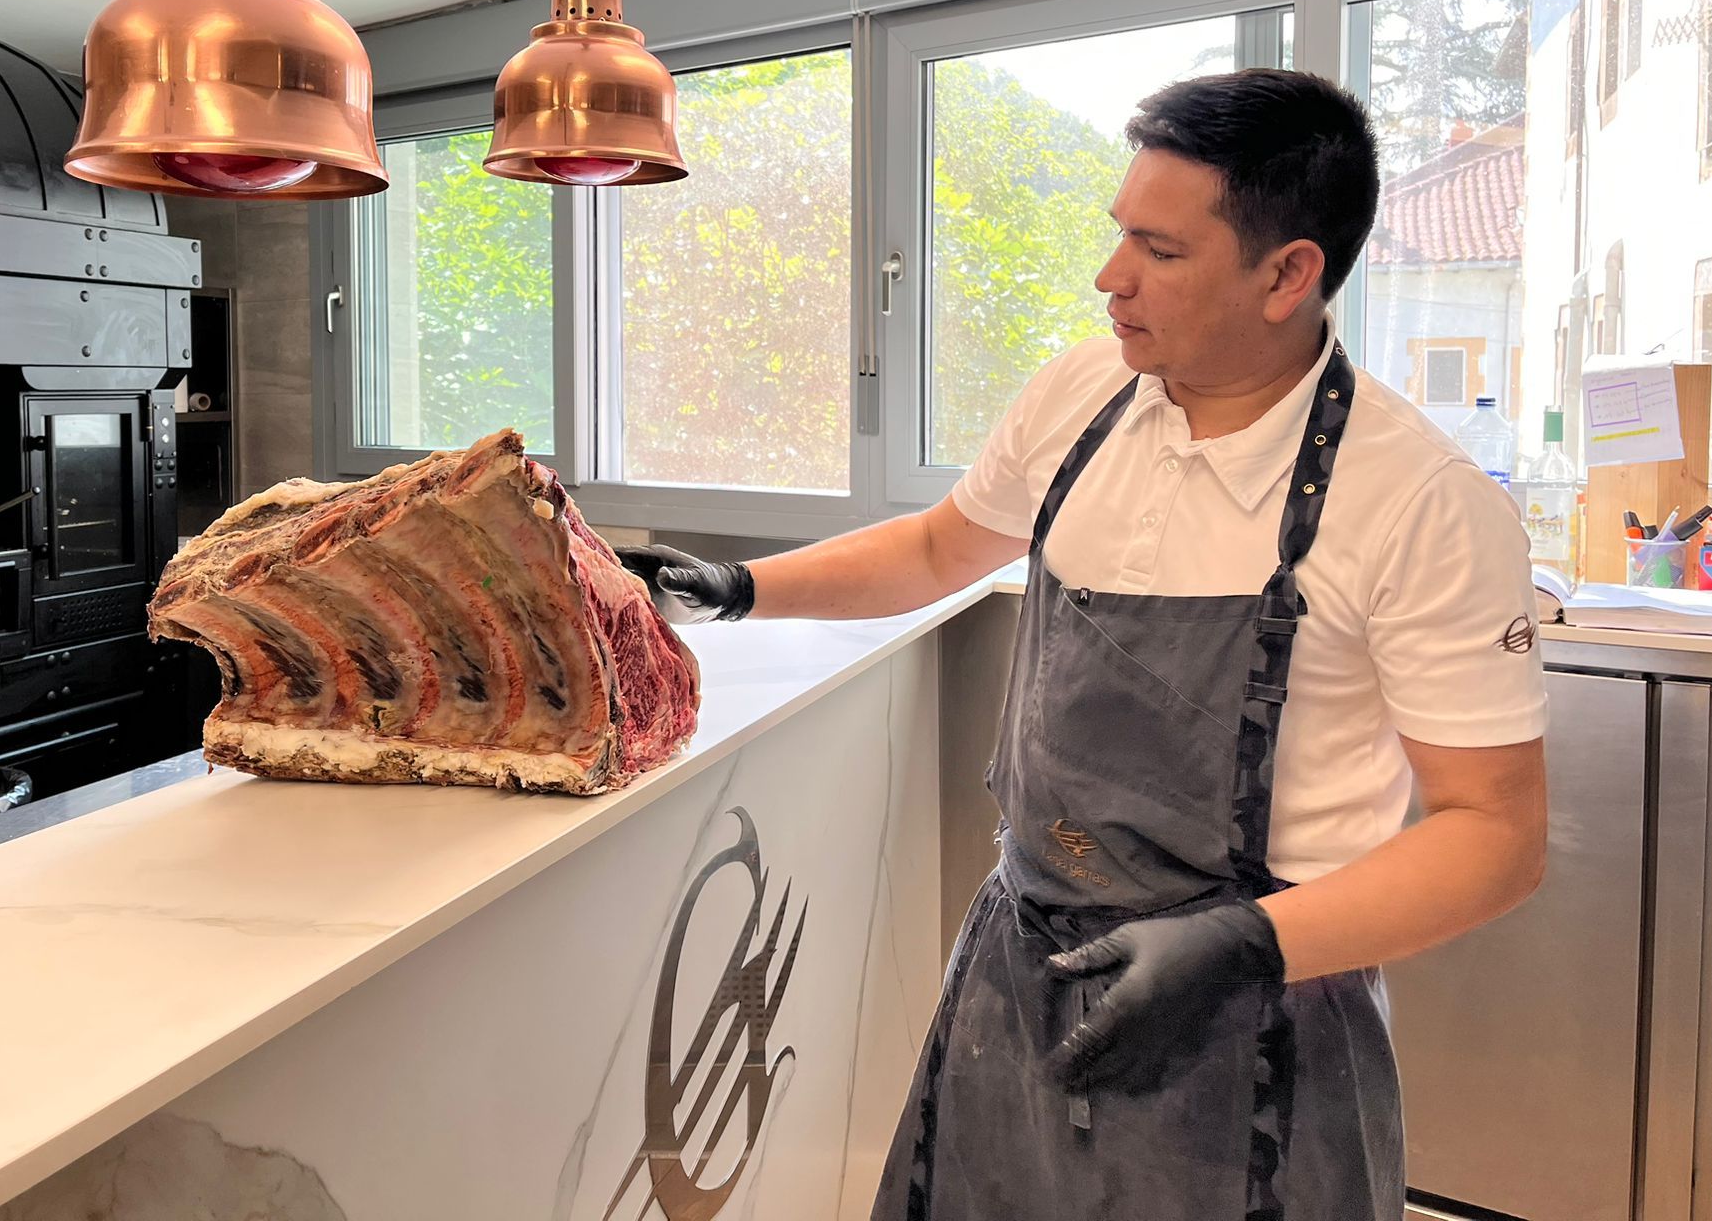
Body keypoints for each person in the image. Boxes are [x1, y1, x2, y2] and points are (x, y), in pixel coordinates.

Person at [616, 69, 1548, 1221]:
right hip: (1021, 965)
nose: (1110, 278)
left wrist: (1239, 945)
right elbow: (935, 549)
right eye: (1118, 235)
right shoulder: (1081, 394)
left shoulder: (1418, 498)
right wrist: (740, 587)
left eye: (1157, 250)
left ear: (1287, 273)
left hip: (1255, 1006)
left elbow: (1493, 835)